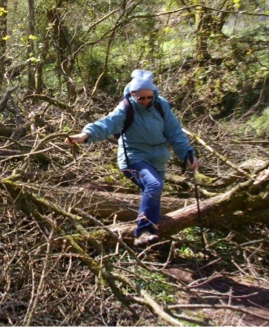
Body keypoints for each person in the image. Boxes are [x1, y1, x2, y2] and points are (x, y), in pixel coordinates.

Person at [65, 69, 198, 246]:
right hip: (133, 158)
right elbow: (107, 123)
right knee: (153, 185)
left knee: (153, 192)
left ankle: (150, 237)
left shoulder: (161, 105)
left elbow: (174, 131)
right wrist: (85, 135)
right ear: (133, 94)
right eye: (141, 98)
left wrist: (187, 153)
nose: (146, 101)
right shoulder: (126, 107)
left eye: (149, 97)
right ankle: (143, 231)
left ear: (154, 94)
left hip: (158, 159)